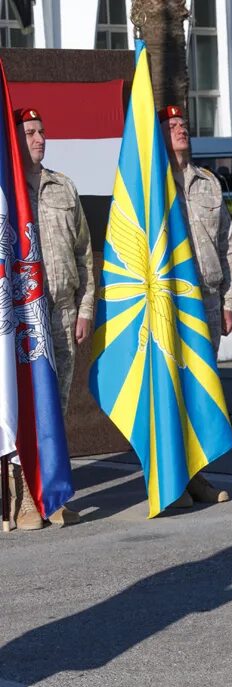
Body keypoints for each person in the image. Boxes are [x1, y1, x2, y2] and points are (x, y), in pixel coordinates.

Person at [8, 107, 93, 530]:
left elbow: (84, 254)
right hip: (23, 317)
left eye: (42, 131)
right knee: (24, 406)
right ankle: (23, 499)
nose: (39, 138)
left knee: (56, 407)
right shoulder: (8, 191)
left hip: (62, 311)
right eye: (30, 132)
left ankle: (54, 496)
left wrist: (85, 308)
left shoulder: (64, 187)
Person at [161, 105, 232, 507]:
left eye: (183, 125)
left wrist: (229, 299)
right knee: (170, 391)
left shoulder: (208, 182)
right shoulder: (153, 185)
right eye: (172, 126)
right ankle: (173, 478)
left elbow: (228, 243)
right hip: (169, 303)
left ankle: (196, 475)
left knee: (199, 391)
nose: (180, 130)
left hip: (208, 300)